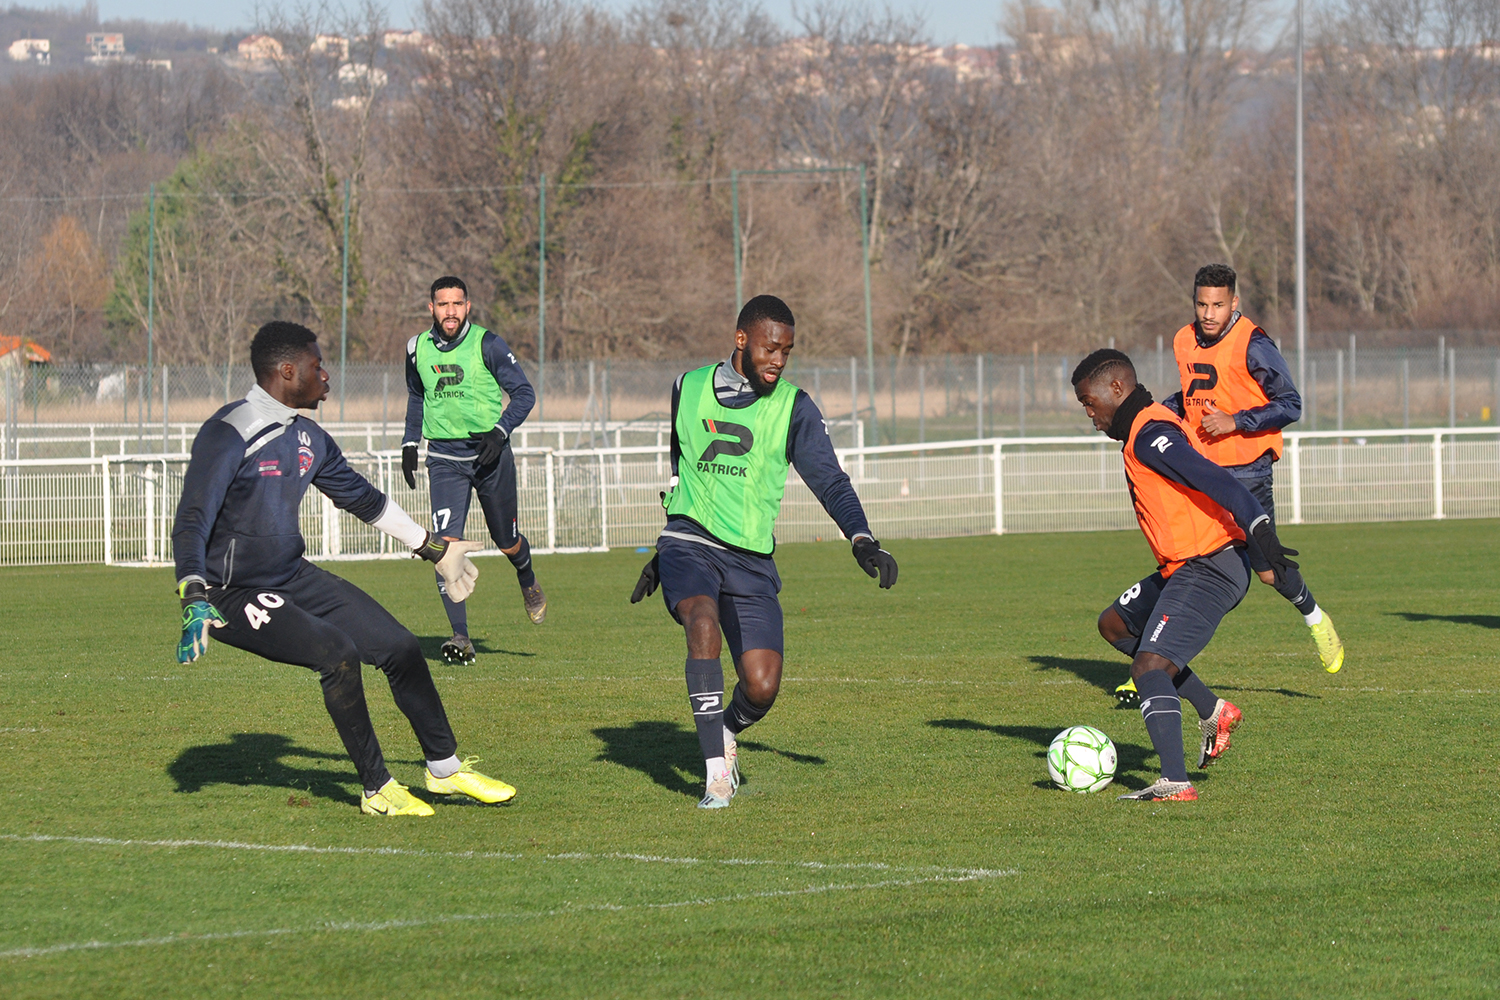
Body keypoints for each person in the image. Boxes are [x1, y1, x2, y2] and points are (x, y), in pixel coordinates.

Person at [172, 321, 518, 817]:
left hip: (292, 576)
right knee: (336, 654)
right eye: (318, 366)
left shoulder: (308, 435)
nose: (327, 375)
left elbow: (363, 499)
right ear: (287, 371)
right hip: (228, 594)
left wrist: (434, 549)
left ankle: (445, 769)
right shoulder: (229, 431)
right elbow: (192, 519)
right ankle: (377, 788)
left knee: (399, 647)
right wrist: (193, 594)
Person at [629, 295, 898, 809]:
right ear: (742, 340)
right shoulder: (685, 387)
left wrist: (862, 539)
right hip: (689, 542)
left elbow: (830, 481)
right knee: (700, 621)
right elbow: (678, 467)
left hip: (750, 557)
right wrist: (664, 552)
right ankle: (714, 776)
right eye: (771, 348)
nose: (778, 359)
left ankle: (726, 732)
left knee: (762, 685)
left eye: (787, 352)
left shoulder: (794, 406)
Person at [1072, 348, 1301, 801]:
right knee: (1115, 625)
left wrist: (1262, 534)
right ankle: (1213, 711)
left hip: (1210, 565)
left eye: (1088, 401)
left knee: (1149, 665)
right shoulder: (1142, 427)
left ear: (1117, 389)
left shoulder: (1151, 432)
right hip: (1184, 566)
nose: (1089, 413)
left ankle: (1174, 782)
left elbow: (1223, 482)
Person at [1114, 263, 1344, 706]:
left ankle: (1315, 618)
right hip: (1202, 472)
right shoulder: (1183, 339)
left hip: (1247, 473)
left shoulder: (1253, 344)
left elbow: (1290, 403)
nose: (1208, 313)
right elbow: (1193, 394)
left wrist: (1237, 420)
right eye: (1202, 304)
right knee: (1185, 560)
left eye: (1218, 304)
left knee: (1268, 570)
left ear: (1234, 303)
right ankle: (1151, 664)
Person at [402, 275, 543, 665]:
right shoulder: (416, 349)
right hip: (445, 459)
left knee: (507, 542)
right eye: (443, 304)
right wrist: (410, 443)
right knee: (444, 548)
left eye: (457, 304)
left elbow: (525, 394)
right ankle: (460, 636)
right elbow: (417, 396)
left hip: (489, 455)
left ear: (468, 307)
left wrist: (499, 432)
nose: (450, 311)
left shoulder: (488, 344)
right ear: (431, 308)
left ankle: (527, 579)